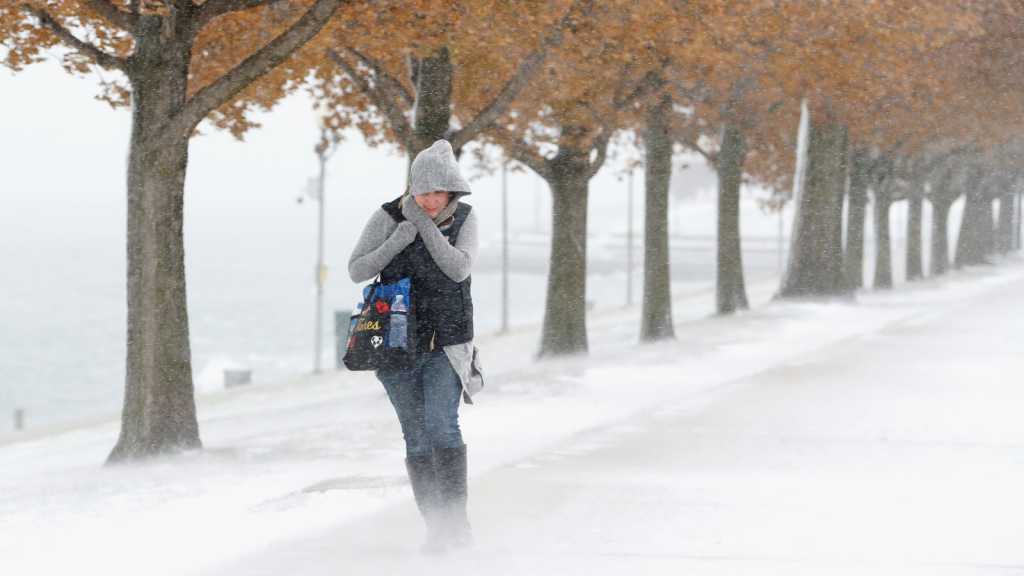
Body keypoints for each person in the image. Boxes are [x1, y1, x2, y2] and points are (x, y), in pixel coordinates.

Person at [348, 139, 483, 554]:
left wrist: (423, 228)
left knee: (442, 425)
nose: (429, 199)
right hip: (394, 345)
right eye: (422, 191)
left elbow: (458, 269)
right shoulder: (387, 216)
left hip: (446, 344)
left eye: (438, 192)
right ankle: (437, 527)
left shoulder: (464, 219)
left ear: (451, 192)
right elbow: (357, 269)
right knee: (415, 436)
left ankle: (456, 523)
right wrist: (397, 238)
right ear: (411, 188)